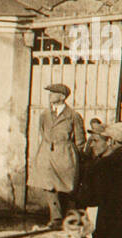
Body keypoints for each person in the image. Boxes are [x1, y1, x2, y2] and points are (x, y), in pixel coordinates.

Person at [31, 82, 85, 227]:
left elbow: (80, 139)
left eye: (53, 93)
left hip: (65, 155)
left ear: (62, 97)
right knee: (48, 186)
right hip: (47, 153)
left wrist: (77, 157)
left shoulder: (73, 116)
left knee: (67, 187)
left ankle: (70, 218)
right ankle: (55, 218)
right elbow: (42, 132)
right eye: (49, 93)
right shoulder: (44, 115)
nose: (50, 95)